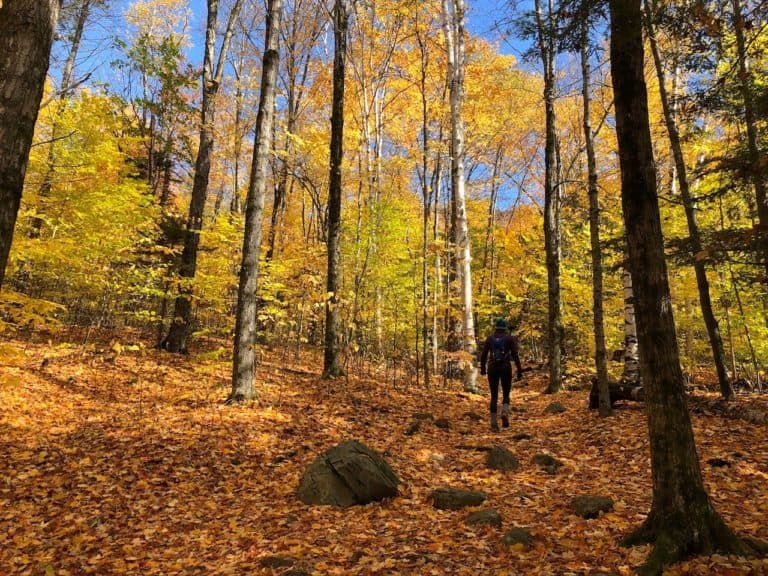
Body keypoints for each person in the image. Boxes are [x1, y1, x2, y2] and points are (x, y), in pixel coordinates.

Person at [479, 318, 523, 432]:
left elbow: (483, 355)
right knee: (506, 393)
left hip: (492, 367)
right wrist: (519, 370)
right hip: (505, 367)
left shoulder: (490, 338)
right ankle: (504, 412)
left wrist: (483, 369)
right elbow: (515, 355)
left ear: (496, 327)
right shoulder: (509, 338)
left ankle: (493, 423)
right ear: (505, 327)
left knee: (494, 396)